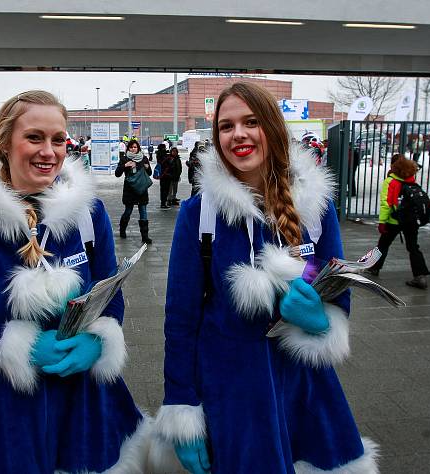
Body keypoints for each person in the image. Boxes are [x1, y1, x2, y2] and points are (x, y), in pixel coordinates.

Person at [0, 90, 150, 473]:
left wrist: (99, 340)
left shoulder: (88, 212)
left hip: (82, 400)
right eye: (34, 137)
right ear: (5, 143)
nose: (49, 151)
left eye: (58, 139)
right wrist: (20, 347)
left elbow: (111, 296)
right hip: (3, 400)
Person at [154, 82, 378, 473]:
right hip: (232, 387)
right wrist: (182, 406)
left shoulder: (315, 207)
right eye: (226, 126)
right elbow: (180, 320)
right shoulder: (199, 215)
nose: (238, 134)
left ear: (272, 128)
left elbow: (338, 295)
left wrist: (318, 320)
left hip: (303, 386)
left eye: (251, 122)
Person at [367, 155, 430, 289]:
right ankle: (420, 276)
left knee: (383, 244)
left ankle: (374, 267)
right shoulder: (411, 181)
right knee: (413, 247)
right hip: (411, 221)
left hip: (394, 220)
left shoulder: (391, 181)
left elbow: (386, 204)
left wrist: (382, 222)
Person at [115, 139, 153, 244]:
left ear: (138, 148)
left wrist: (147, 167)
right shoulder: (124, 158)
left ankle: (145, 236)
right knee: (128, 211)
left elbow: (149, 173)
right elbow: (117, 174)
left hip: (141, 189)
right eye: (131, 147)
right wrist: (125, 166)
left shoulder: (143, 158)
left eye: (135, 147)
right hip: (130, 189)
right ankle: (122, 229)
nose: (133, 149)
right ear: (128, 148)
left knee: (143, 211)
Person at [157, 143, 172, 209]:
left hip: (163, 174)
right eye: (164, 147)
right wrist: (168, 158)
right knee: (165, 189)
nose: (165, 149)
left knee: (163, 189)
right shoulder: (162, 155)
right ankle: (163, 203)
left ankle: (163, 202)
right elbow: (163, 163)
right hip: (165, 174)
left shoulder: (160, 154)